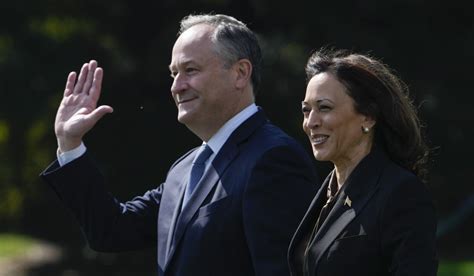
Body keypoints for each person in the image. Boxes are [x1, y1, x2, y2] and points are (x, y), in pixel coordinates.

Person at [40, 14, 319, 276]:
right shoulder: (184, 168)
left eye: (190, 70)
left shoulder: (274, 158)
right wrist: (70, 143)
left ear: (240, 73)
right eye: (174, 73)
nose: (176, 86)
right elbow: (111, 230)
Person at [287, 49, 438, 276]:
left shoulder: (401, 193)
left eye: (324, 108)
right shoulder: (326, 193)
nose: (311, 122)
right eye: (306, 110)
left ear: (368, 116)